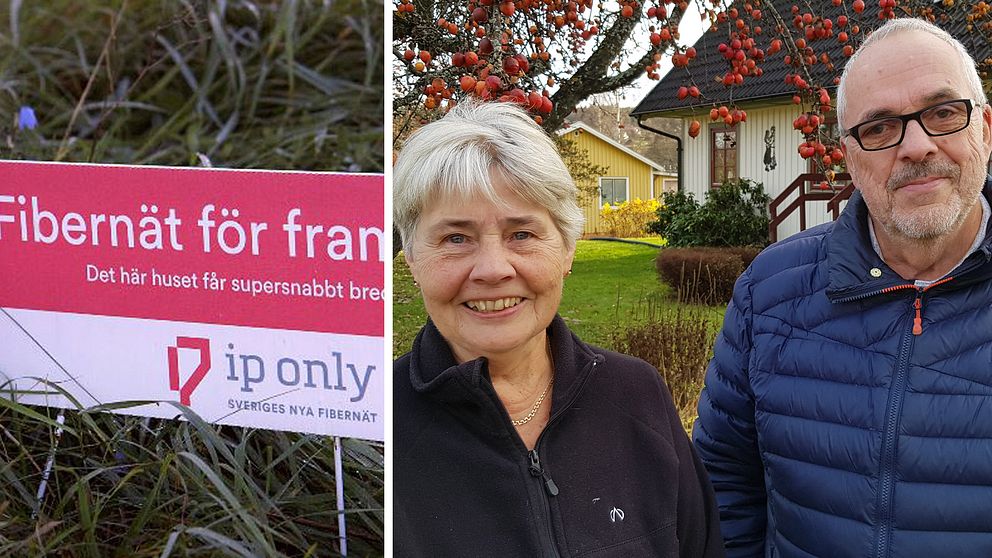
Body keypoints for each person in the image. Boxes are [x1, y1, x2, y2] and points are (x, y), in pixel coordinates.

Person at [693, 17, 992, 558]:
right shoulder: (767, 295)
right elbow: (723, 487)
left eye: (943, 113)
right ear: (849, 157)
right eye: (878, 128)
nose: (917, 146)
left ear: (985, 129)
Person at [393, 101, 724, 557]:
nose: (492, 269)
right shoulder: (379, 430)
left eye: (522, 235)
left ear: (567, 249)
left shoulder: (637, 394)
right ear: (411, 259)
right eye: (455, 238)